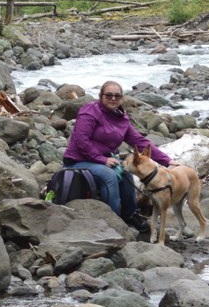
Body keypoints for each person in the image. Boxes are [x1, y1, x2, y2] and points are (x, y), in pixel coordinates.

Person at [62, 80, 171, 230]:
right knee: (109, 175)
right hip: (78, 160)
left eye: (117, 96)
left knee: (126, 172)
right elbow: (81, 141)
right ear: (101, 96)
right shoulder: (90, 112)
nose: (113, 98)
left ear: (121, 98)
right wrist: (102, 159)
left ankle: (130, 215)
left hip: (105, 159)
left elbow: (139, 141)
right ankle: (114, 221)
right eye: (108, 95)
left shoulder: (121, 117)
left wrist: (167, 161)